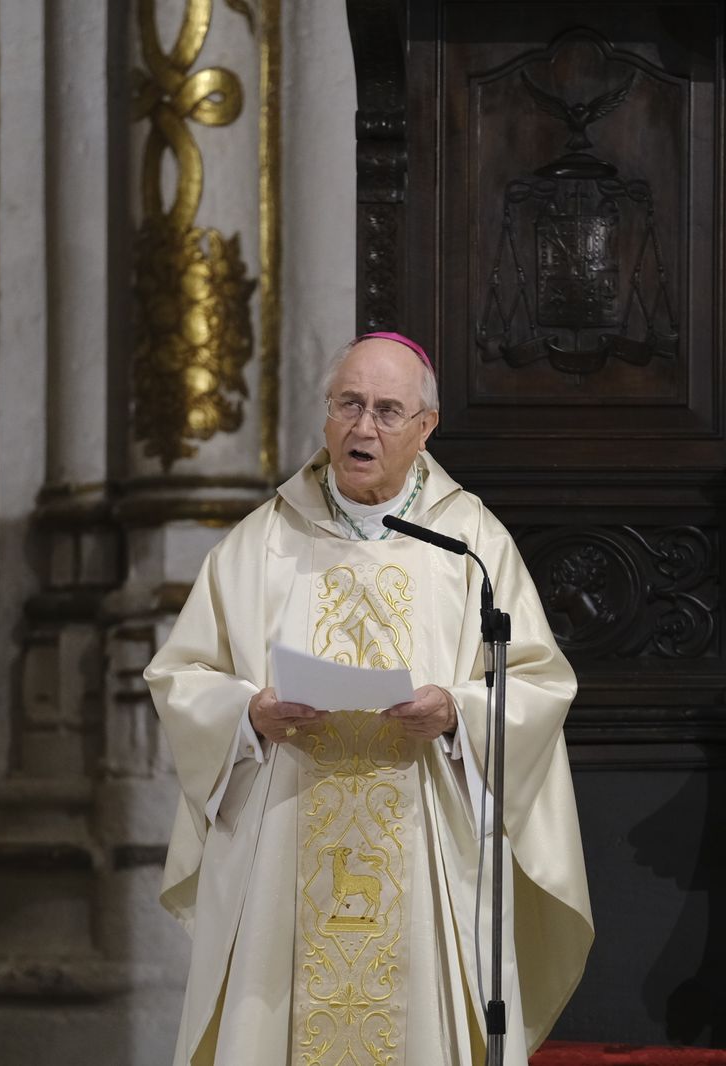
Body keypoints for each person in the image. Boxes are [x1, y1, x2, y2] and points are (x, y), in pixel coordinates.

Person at [145, 333, 595, 1065]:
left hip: (424, 842)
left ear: (427, 427)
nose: (364, 428)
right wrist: (251, 714)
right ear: (325, 416)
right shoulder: (261, 543)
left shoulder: (469, 543)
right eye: (349, 405)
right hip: (286, 851)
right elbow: (182, 677)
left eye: (389, 411)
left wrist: (456, 713)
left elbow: (538, 683)